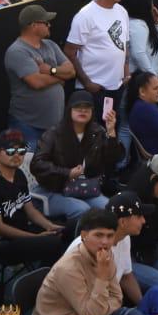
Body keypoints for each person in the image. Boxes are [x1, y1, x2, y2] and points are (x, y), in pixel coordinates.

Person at [27, 207, 147, 315]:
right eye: (98, 235)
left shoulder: (106, 255)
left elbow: (117, 298)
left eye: (110, 236)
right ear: (84, 235)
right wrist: (102, 277)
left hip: (85, 312)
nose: (105, 242)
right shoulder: (68, 268)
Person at [0, 129, 66, 268]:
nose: (16, 155)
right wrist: (35, 238)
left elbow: (30, 211)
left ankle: (46, 273)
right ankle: (42, 278)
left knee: (66, 230)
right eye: (10, 151)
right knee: (53, 243)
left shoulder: (19, 174)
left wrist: (49, 226)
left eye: (21, 151)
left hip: (22, 230)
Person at [30, 91, 122, 222]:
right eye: (78, 107)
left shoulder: (97, 132)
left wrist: (111, 132)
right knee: (81, 210)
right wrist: (67, 173)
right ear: (69, 110)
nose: (83, 110)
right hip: (55, 189)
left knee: (109, 209)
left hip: (86, 188)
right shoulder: (53, 133)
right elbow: (37, 164)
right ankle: (75, 236)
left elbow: (113, 158)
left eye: (87, 107)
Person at [4, 4, 76, 150]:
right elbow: (36, 82)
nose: (50, 25)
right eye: (46, 23)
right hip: (27, 125)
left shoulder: (50, 45)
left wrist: (50, 70)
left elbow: (71, 71)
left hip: (54, 125)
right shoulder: (17, 51)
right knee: (27, 163)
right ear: (34, 25)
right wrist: (60, 77)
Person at [67, 0, 132, 110]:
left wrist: (126, 74)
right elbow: (69, 51)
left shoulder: (122, 11)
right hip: (95, 88)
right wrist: (87, 83)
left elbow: (125, 45)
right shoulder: (85, 15)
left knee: (112, 122)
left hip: (117, 86)